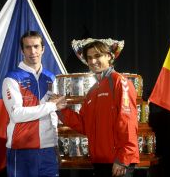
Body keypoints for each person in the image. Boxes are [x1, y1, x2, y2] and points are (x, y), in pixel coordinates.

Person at [58, 38, 140, 177]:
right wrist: (60, 109)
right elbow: (84, 125)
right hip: (99, 162)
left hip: (118, 161)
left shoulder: (120, 82)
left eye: (97, 56)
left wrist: (123, 158)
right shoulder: (92, 91)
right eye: (89, 58)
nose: (93, 61)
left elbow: (128, 122)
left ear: (109, 56)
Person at [2, 31, 66, 177]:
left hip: (48, 149)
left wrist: (55, 143)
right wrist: (52, 105)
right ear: (22, 50)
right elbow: (16, 114)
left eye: (36, 46)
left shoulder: (50, 77)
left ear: (43, 49)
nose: (33, 51)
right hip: (22, 149)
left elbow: (53, 116)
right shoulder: (12, 78)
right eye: (28, 47)